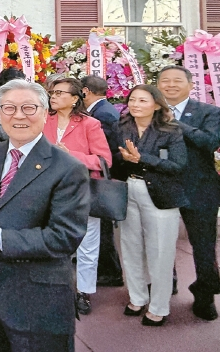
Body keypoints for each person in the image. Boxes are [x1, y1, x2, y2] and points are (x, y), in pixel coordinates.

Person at [0, 79, 90, 351]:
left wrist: (0, 238)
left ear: (45, 112)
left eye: (29, 108)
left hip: (39, 298)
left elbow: (65, 236)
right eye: (9, 108)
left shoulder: (67, 168)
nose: (18, 116)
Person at [113, 84, 187, 326]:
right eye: (132, 100)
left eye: (143, 100)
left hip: (160, 194)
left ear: (156, 105)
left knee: (160, 252)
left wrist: (141, 158)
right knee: (131, 247)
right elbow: (114, 159)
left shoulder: (170, 130)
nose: (135, 105)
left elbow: (178, 165)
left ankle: (159, 306)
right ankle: (137, 297)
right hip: (129, 189)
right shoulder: (123, 127)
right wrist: (124, 159)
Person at [43, 78, 112, 315]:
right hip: (48, 190)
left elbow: (103, 161)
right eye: (52, 92)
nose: (54, 96)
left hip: (82, 191)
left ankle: (84, 291)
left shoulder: (90, 124)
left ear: (75, 98)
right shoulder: (43, 119)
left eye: (60, 93)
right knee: (52, 240)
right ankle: (55, 287)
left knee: (87, 245)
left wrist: (70, 154)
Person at [157, 65, 220, 321]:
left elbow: (210, 142)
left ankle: (204, 295)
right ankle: (164, 287)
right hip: (162, 186)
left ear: (191, 85)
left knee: (203, 246)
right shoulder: (148, 111)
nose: (170, 85)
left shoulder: (209, 112)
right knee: (160, 243)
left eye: (177, 80)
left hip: (199, 188)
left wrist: (175, 123)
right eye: (165, 80)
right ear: (158, 85)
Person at [80, 75, 124, 288]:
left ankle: (110, 271)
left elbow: (104, 149)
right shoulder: (104, 109)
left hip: (103, 178)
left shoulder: (102, 114)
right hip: (103, 176)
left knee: (103, 230)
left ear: (85, 91)